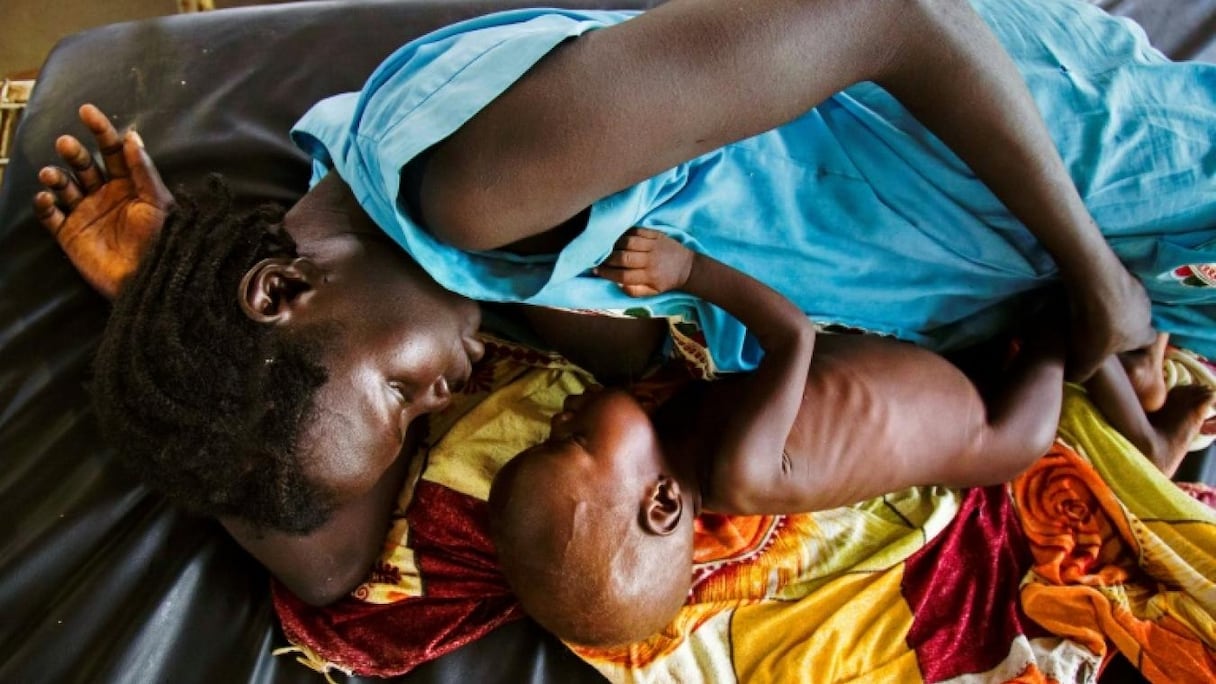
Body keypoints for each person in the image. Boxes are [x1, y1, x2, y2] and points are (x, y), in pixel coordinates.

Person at [33, 0, 1216, 605]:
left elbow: (891, 18)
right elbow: (330, 564)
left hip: (1036, 162)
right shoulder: (424, 265)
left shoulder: (468, 188)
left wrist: (1092, 271)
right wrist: (145, 295)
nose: (443, 397)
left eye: (398, 395)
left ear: (283, 286)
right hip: (1011, 271)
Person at [488, 229, 1215, 647]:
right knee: (1065, 318)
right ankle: (1148, 433)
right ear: (661, 506)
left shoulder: (677, 427)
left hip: (952, 375)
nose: (560, 416)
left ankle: (1144, 391)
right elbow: (789, 336)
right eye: (569, 443)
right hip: (995, 433)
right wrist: (691, 270)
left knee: (1049, 315)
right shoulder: (739, 466)